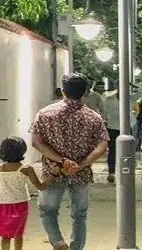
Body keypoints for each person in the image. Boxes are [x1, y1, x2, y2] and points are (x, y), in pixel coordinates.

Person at [30, 73, 109, 250]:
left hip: (53, 172)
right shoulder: (94, 117)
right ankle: (76, 247)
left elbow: (36, 142)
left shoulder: (45, 113)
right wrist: (79, 165)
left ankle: (57, 241)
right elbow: (102, 147)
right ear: (84, 93)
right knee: (80, 214)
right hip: (81, 173)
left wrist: (61, 160)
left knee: (48, 210)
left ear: (63, 91)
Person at [0, 137, 51, 250]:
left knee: (5, 235)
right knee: (18, 233)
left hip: (1, 204)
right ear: (22, 151)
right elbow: (41, 187)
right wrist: (53, 176)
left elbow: (0, 185)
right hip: (19, 205)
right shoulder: (26, 169)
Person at [100, 83, 142, 182]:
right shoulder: (108, 99)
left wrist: (132, 84)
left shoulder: (129, 98)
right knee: (112, 150)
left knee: (126, 149)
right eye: (120, 86)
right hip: (112, 126)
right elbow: (103, 112)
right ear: (117, 88)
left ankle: (124, 169)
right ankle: (111, 172)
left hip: (126, 127)